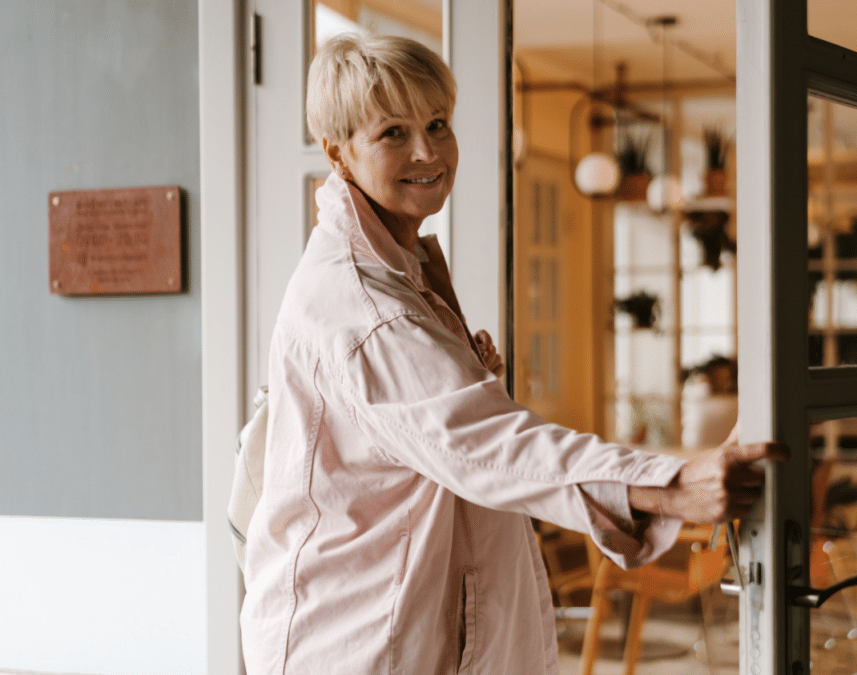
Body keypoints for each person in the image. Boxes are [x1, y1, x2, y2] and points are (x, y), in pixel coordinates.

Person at [239, 32, 787, 675]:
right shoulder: (366, 304)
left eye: (437, 124)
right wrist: (670, 486)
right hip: (361, 642)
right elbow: (486, 444)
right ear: (338, 154)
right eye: (392, 133)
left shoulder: (400, 269)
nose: (427, 151)